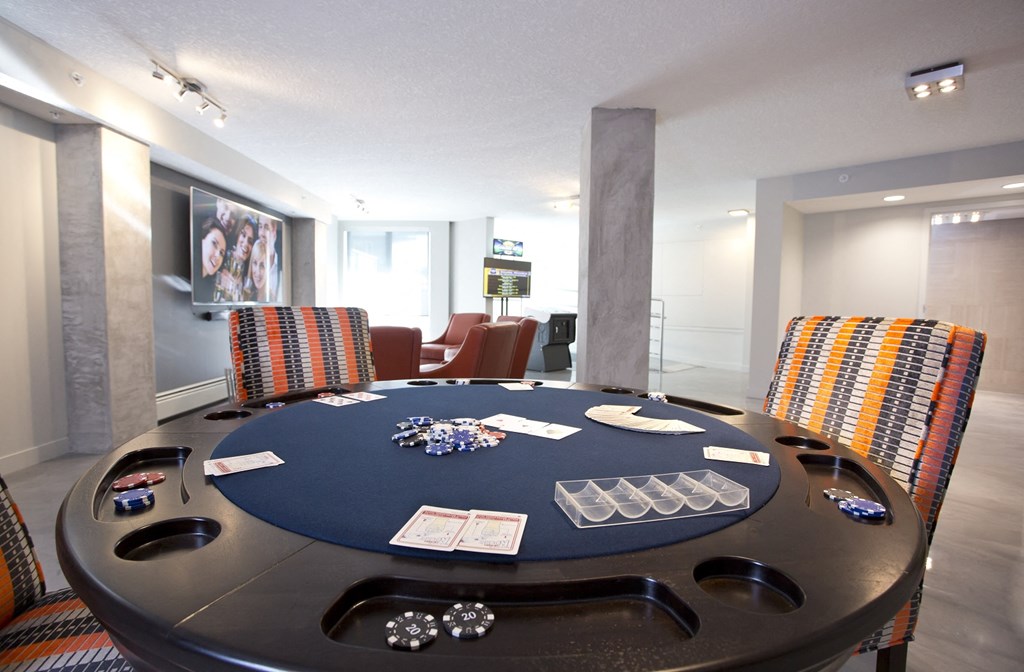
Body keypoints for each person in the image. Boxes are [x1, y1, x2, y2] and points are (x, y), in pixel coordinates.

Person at [193, 217, 228, 303]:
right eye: (214, 244)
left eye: (221, 253)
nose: (217, 256)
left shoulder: (209, 290)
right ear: (201, 240)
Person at [257, 215, 280, 301]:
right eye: (260, 227)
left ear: (274, 231)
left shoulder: (281, 267)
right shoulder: (252, 265)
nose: (261, 233)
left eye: (266, 227)